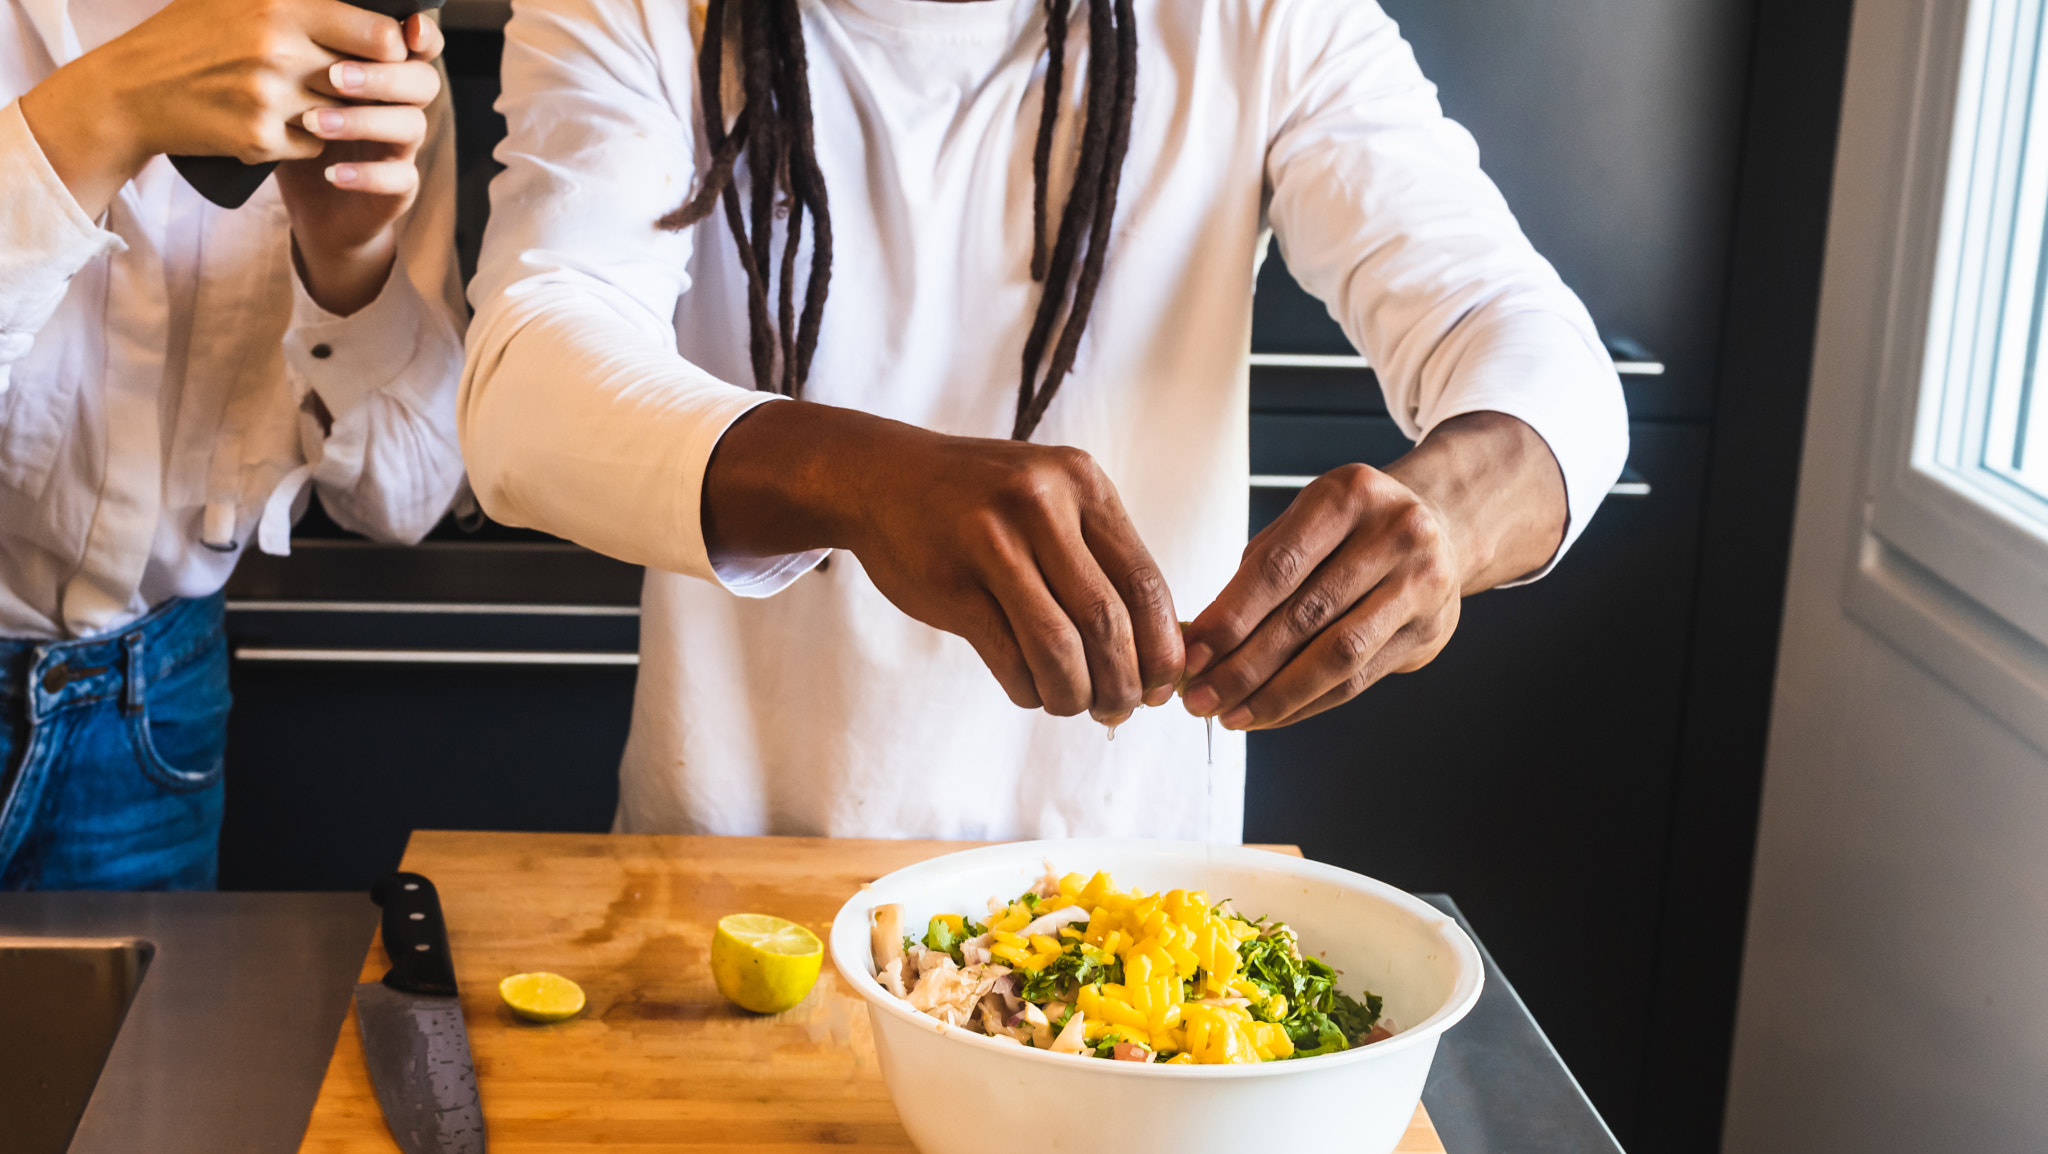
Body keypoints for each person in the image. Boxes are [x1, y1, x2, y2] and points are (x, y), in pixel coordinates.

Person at [463, 0, 1627, 843]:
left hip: (1132, 932)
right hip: (731, 898)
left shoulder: (1264, 20)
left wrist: (1446, 519)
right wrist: (859, 482)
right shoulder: (636, 14)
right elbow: (525, 381)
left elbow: (1519, 334)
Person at [0, 0, 467, 888]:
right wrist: (107, 107)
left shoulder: (375, 49)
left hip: (158, 717)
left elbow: (405, 498)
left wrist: (348, 263)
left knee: (139, 1036)